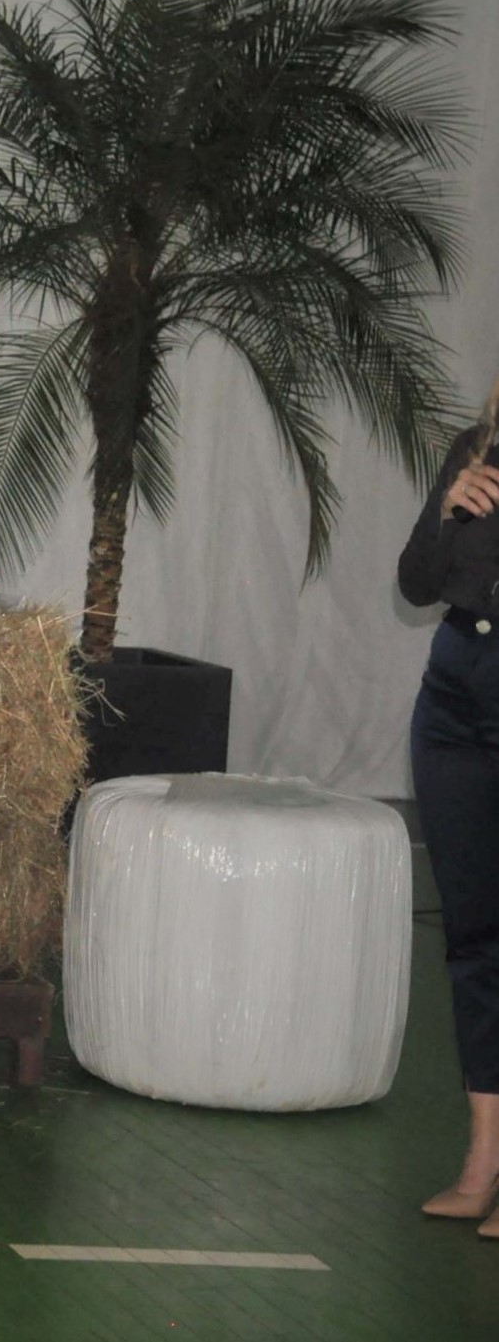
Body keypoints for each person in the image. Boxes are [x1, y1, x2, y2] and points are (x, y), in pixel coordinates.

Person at [400, 371, 499, 1237]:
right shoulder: (475, 447)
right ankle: (480, 1161)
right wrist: (445, 511)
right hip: (453, 690)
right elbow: (414, 583)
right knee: (470, 934)